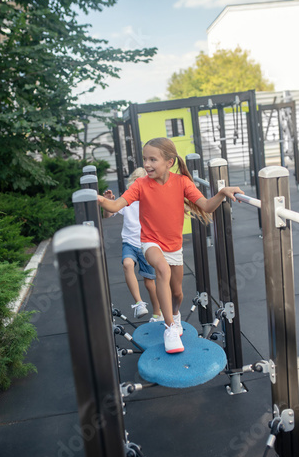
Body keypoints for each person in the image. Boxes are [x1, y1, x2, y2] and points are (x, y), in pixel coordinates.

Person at [98, 137, 244, 354]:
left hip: (174, 247)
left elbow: (205, 205)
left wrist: (222, 193)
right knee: (162, 270)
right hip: (150, 243)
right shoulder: (140, 185)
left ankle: (174, 315)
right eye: (145, 159)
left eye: (152, 159)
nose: (147, 164)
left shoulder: (182, 182)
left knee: (178, 294)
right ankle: (170, 329)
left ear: (169, 161)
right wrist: (99, 199)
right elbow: (116, 204)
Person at [102, 168, 162, 321]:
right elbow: (107, 215)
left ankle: (158, 312)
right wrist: (108, 202)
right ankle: (139, 303)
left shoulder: (152, 201)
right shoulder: (127, 200)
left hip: (146, 244)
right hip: (129, 243)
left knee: (150, 283)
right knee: (127, 264)